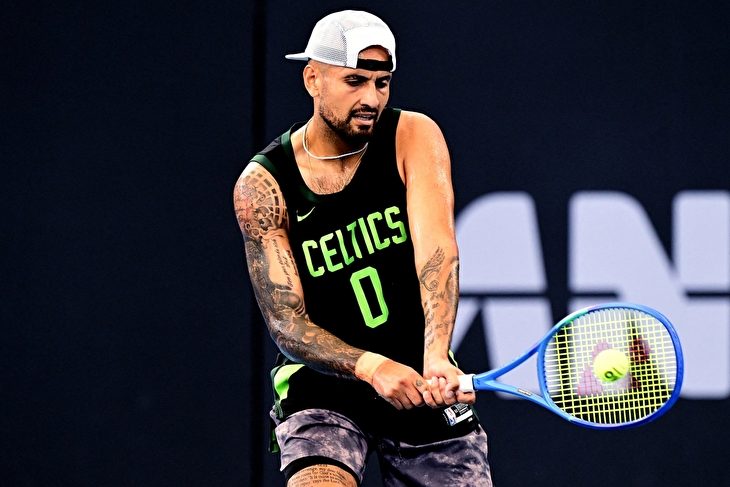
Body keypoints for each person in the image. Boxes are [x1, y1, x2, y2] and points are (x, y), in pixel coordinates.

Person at [234, 10, 493, 487]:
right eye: (354, 81)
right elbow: (286, 321)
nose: (371, 98)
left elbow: (437, 251)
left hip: (419, 380)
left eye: (382, 82)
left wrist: (437, 355)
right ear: (313, 79)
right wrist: (371, 366)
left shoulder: (413, 135)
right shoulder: (263, 185)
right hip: (323, 387)